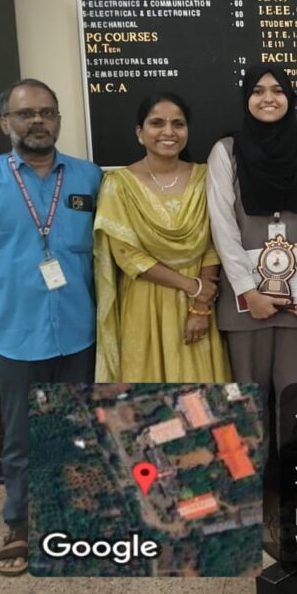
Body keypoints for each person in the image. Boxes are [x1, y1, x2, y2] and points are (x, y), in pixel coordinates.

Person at [0, 79, 101, 577]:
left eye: (47, 113)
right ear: (4, 122)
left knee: (75, 429)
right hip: (14, 334)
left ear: (58, 120)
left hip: (78, 329)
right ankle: (21, 525)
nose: (38, 121)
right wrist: (4, 290)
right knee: (22, 437)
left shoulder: (90, 177)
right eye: (26, 113)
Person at [207, 63, 297, 448]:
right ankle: (255, 478)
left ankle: (291, 474)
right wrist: (248, 291)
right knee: (248, 398)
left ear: (291, 98)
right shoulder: (226, 152)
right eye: (258, 91)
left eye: (277, 90)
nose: (268, 98)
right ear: (246, 99)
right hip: (246, 301)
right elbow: (222, 225)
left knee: (295, 395)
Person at [94, 92, 230, 383]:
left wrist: (200, 307)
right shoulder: (119, 184)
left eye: (178, 124)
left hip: (200, 304)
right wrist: (192, 287)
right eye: (157, 123)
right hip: (145, 302)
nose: (169, 131)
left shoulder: (206, 177)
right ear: (139, 132)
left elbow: (214, 243)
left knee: (200, 394)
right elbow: (127, 256)